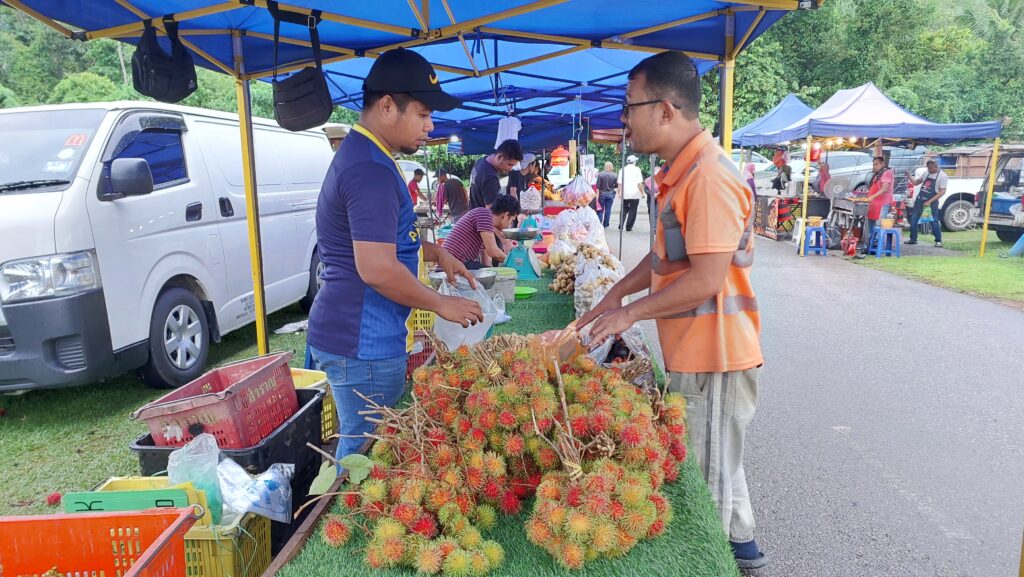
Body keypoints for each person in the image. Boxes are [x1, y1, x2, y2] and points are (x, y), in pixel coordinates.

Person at [577, 51, 766, 569]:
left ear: (664, 110)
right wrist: (618, 292)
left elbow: (705, 280)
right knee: (722, 464)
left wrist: (630, 314)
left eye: (629, 106)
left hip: (714, 357)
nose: (624, 119)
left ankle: (720, 560)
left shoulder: (708, 177)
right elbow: (666, 258)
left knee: (706, 492)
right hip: (698, 352)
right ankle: (746, 552)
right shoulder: (679, 174)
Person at [308, 48, 483, 463]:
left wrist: (435, 252)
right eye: (423, 114)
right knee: (363, 454)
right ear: (388, 106)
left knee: (367, 448)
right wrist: (441, 303)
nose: (430, 126)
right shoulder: (370, 169)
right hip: (362, 343)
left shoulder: (368, 156)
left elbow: (381, 241)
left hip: (359, 336)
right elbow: (377, 268)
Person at [441, 195, 520, 269]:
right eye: (511, 220)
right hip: (452, 265)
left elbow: (486, 259)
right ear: (506, 215)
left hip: (454, 264)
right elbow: (493, 252)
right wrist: (515, 262)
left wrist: (491, 271)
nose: (510, 224)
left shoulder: (486, 220)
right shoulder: (484, 215)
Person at [469, 139, 524, 209]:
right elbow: (491, 211)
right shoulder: (490, 178)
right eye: (509, 164)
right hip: (482, 216)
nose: (510, 169)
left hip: (473, 212)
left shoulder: (480, 161)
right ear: (499, 157)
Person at [905, 160, 947, 247]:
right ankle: (913, 239)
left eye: (930, 168)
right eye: (928, 168)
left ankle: (938, 241)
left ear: (936, 166)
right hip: (920, 200)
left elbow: (942, 191)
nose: (928, 170)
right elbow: (916, 183)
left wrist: (929, 201)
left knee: (934, 221)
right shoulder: (926, 173)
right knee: (913, 219)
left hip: (932, 202)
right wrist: (909, 176)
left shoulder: (942, 176)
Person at [863, 156, 894, 252]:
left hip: (882, 204)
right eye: (873, 165)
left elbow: (885, 189)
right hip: (873, 204)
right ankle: (869, 246)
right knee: (870, 227)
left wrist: (872, 197)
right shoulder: (878, 174)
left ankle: (876, 247)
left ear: (882, 164)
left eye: (876, 165)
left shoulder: (887, 173)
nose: (874, 167)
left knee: (878, 226)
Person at [619, 154, 644, 231]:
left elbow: (620, 183)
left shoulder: (622, 169)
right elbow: (639, 183)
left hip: (625, 193)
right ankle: (629, 227)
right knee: (633, 210)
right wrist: (642, 193)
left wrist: (619, 193)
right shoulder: (637, 169)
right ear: (634, 162)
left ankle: (621, 225)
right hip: (635, 194)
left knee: (623, 209)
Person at [596, 161, 618, 227]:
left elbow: (598, 187)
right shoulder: (614, 175)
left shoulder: (600, 175)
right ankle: (606, 224)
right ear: (611, 167)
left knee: (600, 209)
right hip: (610, 194)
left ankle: (599, 223)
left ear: (605, 166)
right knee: (608, 209)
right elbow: (616, 185)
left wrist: (597, 197)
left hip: (602, 194)